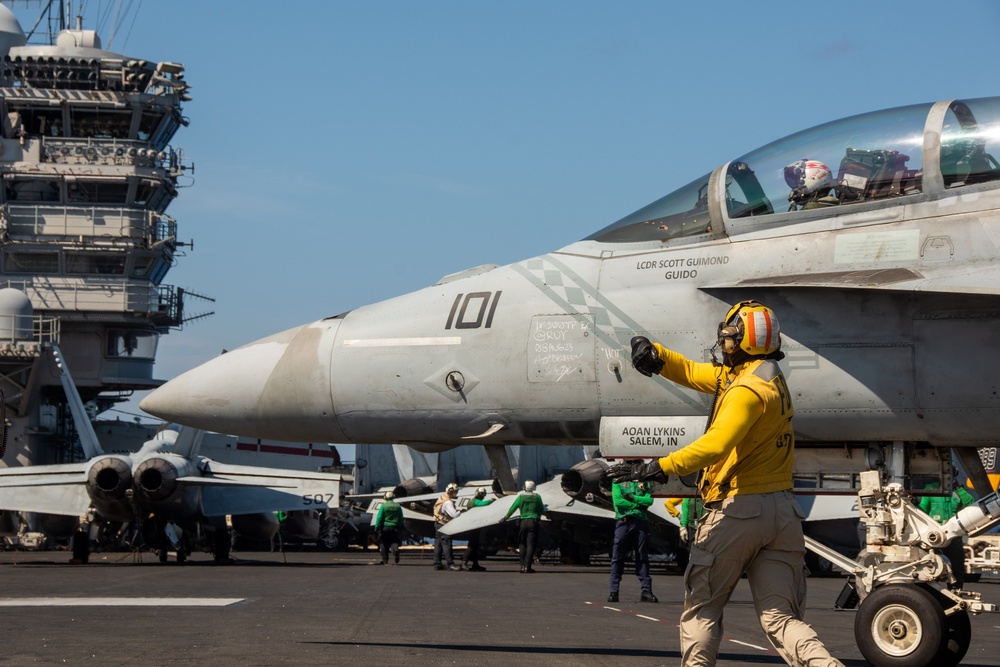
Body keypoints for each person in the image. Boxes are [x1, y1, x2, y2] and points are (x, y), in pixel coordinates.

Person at [609, 300, 843, 667]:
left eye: (729, 337)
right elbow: (692, 371)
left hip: (738, 512)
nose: (723, 342)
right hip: (783, 515)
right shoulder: (766, 377)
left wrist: (657, 467)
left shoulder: (745, 392)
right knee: (781, 619)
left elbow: (715, 444)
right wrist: (658, 357)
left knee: (702, 609)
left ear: (743, 342)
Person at [917, 478, 976, 587]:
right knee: (929, 567)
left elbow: (971, 503)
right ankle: (931, 594)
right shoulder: (930, 489)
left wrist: (958, 489)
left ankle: (955, 592)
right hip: (933, 536)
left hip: (954, 536)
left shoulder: (958, 491)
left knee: (957, 567)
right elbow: (921, 510)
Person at [608, 480, 657, 603]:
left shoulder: (644, 482)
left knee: (642, 555)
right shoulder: (617, 482)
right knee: (617, 555)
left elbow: (649, 501)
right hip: (624, 521)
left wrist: (631, 498)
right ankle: (614, 591)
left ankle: (646, 591)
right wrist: (637, 505)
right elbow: (618, 501)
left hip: (640, 522)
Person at [500, 480, 545, 573]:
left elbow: (512, 508)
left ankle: (522, 566)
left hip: (523, 522)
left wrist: (505, 517)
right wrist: (538, 516)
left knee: (522, 544)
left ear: (525, 487)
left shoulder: (520, 497)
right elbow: (541, 509)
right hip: (533, 522)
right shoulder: (537, 497)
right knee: (530, 545)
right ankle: (528, 566)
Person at [462, 487, 494, 571]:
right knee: (472, 545)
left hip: (476, 525)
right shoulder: (474, 501)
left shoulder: (475, 500)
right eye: (481, 494)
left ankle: (475, 564)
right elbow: (482, 504)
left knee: (476, 545)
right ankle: (464, 563)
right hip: (473, 526)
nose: (482, 496)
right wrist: (491, 501)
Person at [432, 482, 462, 571]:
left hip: (437, 523)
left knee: (438, 544)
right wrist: (461, 511)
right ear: (451, 491)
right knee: (447, 544)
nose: (456, 493)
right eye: (455, 491)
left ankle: (437, 563)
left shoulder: (441, 497)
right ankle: (450, 564)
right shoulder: (448, 502)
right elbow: (454, 515)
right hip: (444, 524)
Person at [374, 491, 404, 565]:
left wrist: (377, 526)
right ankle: (395, 550)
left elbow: (379, 517)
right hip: (394, 527)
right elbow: (401, 517)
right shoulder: (398, 506)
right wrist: (399, 525)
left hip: (384, 527)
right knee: (394, 541)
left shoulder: (383, 506)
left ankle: (385, 560)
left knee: (383, 543)